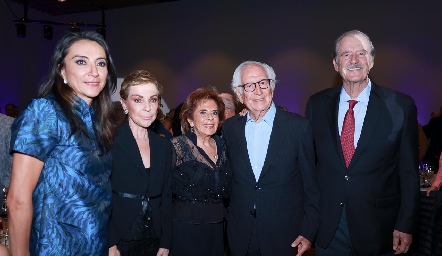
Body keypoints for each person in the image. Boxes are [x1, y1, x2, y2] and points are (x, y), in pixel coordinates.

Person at [305, 30, 419, 255]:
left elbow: (408, 172)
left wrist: (405, 223)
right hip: (329, 228)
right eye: (346, 54)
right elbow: (307, 162)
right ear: (336, 64)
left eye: (361, 53)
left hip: (379, 228)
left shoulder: (401, 106)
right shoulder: (316, 104)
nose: (354, 61)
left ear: (372, 60)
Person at [7, 31, 117, 255]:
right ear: (61, 70)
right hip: (54, 248)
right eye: (80, 62)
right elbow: (18, 199)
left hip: (96, 247)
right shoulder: (45, 112)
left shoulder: (98, 120)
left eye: (101, 63)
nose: (94, 72)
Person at [222, 61, 320, 256]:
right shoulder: (230, 128)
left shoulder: (298, 128)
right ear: (239, 93)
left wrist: (309, 232)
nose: (258, 91)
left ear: (272, 87)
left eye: (263, 83)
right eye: (250, 86)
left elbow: (312, 187)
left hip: (285, 236)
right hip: (240, 235)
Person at [109, 70, 172, 256]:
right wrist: (110, 242)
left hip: (155, 237)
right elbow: (100, 197)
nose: (147, 107)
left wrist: (166, 241)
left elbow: (166, 197)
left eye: (153, 100)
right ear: (124, 104)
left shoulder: (164, 146)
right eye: (138, 100)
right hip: (120, 238)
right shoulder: (110, 142)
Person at [170, 88, 231, 256]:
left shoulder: (224, 146)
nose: (210, 117)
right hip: (185, 228)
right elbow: (161, 191)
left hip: (218, 228)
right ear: (190, 119)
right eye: (203, 112)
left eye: (214, 113)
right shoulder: (177, 146)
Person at [423, 105, 442, 172]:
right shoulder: (435, 121)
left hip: (436, 154)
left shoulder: (435, 121)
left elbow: (426, 134)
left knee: (435, 175)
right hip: (436, 153)